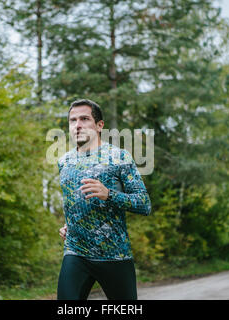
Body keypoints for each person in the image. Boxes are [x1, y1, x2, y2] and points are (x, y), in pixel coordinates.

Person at [56, 98, 151, 300]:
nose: (77, 125)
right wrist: (70, 224)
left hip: (114, 254)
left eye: (84, 119)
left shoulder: (119, 158)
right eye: (72, 120)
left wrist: (109, 194)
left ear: (100, 125)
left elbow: (144, 204)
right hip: (75, 252)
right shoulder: (64, 162)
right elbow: (76, 203)